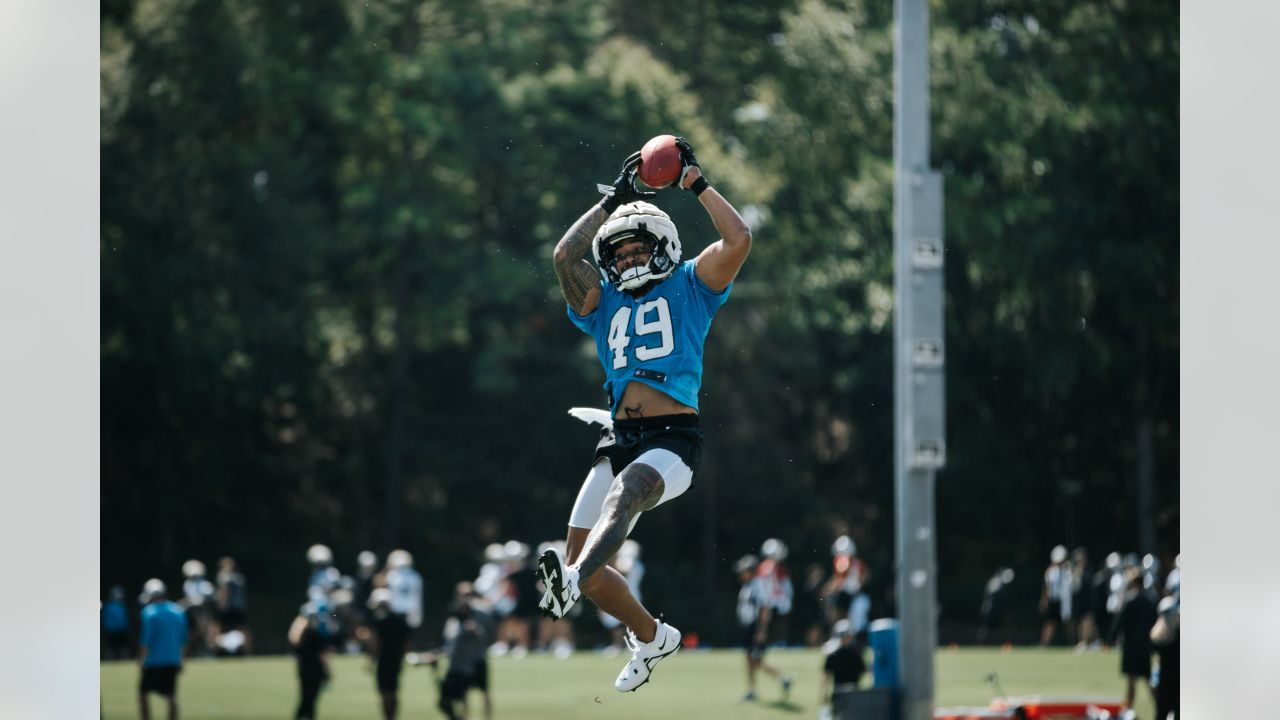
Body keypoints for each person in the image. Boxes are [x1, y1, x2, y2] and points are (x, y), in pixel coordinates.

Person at [538, 136, 751, 693]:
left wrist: (696, 184)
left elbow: (739, 237)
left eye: (638, 249)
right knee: (587, 567)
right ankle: (653, 636)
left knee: (622, 499)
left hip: (673, 440)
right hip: (620, 435)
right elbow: (565, 256)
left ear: (663, 245)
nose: (628, 258)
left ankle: (571, 581)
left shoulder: (692, 284)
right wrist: (613, 200)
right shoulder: (601, 300)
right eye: (621, 253)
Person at [426, 582, 496, 720]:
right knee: (464, 693)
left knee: (484, 692)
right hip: (462, 662)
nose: (466, 598)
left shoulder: (481, 613)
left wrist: (476, 631)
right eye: (464, 595)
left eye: (469, 594)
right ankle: (466, 717)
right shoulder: (455, 614)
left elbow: (489, 636)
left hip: (478, 657)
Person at [735, 553, 794, 702]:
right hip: (748, 627)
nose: (741, 573)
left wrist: (761, 630)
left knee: (755, 659)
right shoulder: (748, 586)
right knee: (749, 659)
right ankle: (751, 690)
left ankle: (783, 678)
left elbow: (765, 608)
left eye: (744, 570)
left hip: (756, 627)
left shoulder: (758, 585)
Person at [1107, 568, 1158, 713]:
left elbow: (1119, 622)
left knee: (1131, 681)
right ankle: (1161, 708)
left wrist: (1109, 640)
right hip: (1145, 646)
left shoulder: (1129, 601)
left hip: (1130, 647)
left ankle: (1128, 710)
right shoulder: (1150, 601)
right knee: (1149, 680)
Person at [137, 579, 188, 720]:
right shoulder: (178, 611)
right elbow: (183, 640)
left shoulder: (149, 612)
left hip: (153, 661)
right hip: (172, 660)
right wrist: (182, 661)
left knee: (143, 694)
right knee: (170, 696)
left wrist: (142, 660)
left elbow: (146, 640)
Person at [289, 598, 338, 720]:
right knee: (311, 699)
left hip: (303, 671)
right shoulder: (316, 635)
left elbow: (297, 657)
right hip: (315, 671)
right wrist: (329, 673)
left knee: (305, 697)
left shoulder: (299, 638)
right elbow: (323, 657)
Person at [365, 588, 409, 720]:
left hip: (383, 661)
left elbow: (376, 643)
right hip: (396, 660)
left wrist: (371, 660)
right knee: (394, 691)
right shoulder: (400, 619)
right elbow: (407, 641)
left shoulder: (379, 620)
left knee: (385, 692)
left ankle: (387, 717)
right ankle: (393, 717)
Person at [598, 540, 645, 656]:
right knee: (617, 623)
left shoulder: (633, 563)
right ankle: (618, 646)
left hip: (629, 595)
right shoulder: (637, 565)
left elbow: (624, 570)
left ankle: (634, 645)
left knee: (630, 622)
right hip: (625, 594)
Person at [819, 619, 867, 718]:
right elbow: (864, 672)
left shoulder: (833, 655)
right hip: (851, 694)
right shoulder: (856, 654)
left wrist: (823, 696)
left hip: (841, 695)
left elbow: (825, 677)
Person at [1150, 593, 1179, 720]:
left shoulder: (1157, 636)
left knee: (1161, 713)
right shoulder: (1179, 634)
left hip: (1164, 680)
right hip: (1178, 681)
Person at [214, 556, 249, 654]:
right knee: (242, 629)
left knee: (217, 629)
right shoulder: (239, 577)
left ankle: (215, 651)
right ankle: (246, 651)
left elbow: (224, 591)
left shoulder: (223, 576)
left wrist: (221, 604)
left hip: (228, 608)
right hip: (240, 608)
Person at [385, 549, 424, 636]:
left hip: (395, 611)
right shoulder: (416, 576)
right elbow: (417, 597)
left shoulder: (392, 576)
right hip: (410, 610)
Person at [1039, 545, 1072, 646]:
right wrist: (1044, 600)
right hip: (1053, 600)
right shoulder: (1051, 571)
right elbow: (1047, 587)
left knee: (1068, 622)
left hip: (1064, 601)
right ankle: (1044, 643)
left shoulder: (1067, 570)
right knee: (1050, 622)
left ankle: (1071, 642)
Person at [977, 568, 1014, 646]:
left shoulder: (992, 581)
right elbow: (999, 597)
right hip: (992, 609)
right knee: (990, 628)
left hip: (988, 608)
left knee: (989, 628)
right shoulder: (997, 582)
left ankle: (987, 643)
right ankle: (983, 643)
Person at [102, 585, 133, 659]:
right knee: (110, 648)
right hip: (111, 631)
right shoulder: (108, 605)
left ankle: (125, 661)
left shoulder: (122, 605)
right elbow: (106, 619)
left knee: (123, 648)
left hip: (122, 630)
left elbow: (125, 618)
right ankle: (109, 663)